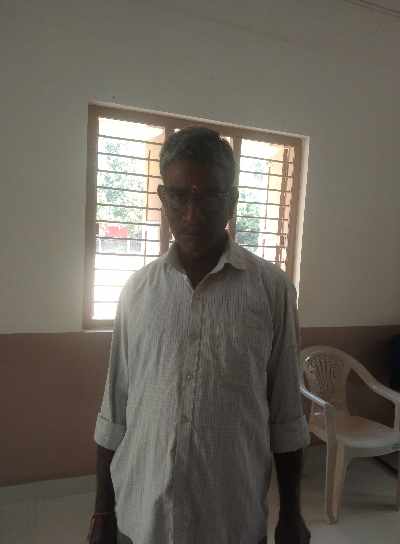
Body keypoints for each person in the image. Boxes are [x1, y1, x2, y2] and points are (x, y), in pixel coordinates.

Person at [87, 127, 311, 544]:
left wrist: (292, 514)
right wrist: (102, 512)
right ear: (162, 198)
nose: (192, 214)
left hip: (232, 517)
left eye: (210, 196)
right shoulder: (137, 292)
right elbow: (114, 412)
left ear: (233, 200)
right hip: (145, 516)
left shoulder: (272, 290)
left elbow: (286, 416)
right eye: (178, 196)